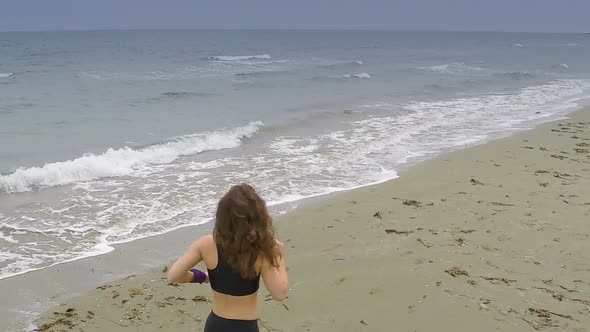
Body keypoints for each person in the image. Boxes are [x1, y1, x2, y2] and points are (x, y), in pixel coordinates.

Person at [168, 184, 289, 332]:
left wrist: (202, 277)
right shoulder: (260, 251)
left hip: (215, 324)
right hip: (245, 327)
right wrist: (279, 257)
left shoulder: (206, 244)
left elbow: (174, 275)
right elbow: (280, 293)